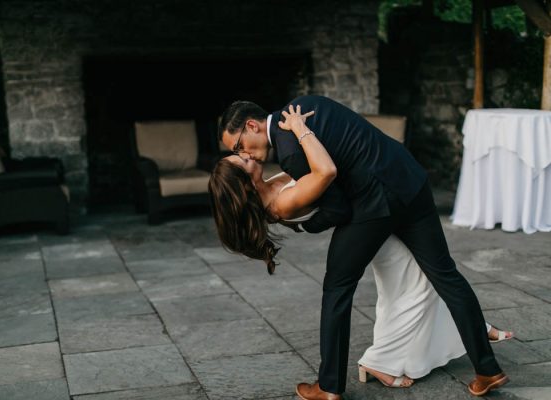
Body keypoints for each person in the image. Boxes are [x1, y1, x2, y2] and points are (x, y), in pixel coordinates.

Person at [215, 97, 509, 399]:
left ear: (251, 126)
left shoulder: (290, 151)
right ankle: (487, 369)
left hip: (374, 206)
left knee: (337, 291)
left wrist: (305, 225)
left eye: (239, 146)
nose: (243, 153)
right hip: (409, 180)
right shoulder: (304, 105)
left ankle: (328, 386)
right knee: (446, 276)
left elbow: (337, 207)